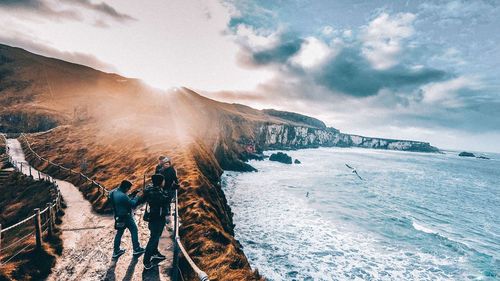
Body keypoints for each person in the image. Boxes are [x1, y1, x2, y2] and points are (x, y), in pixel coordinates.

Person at [110, 180, 145, 259]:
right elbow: (132, 204)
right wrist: (137, 196)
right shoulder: (123, 195)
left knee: (119, 233)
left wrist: (132, 194)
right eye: (128, 189)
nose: (129, 190)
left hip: (118, 216)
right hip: (126, 217)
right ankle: (136, 249)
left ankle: (116, 251)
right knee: (134, 230)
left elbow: (122, 200)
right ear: (126, 187)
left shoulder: (114, 192)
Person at [142, 174, 170, 269]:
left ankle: (155, 253)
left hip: (155, 218)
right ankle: (146, 261)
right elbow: (165, 200)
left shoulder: (153, 189)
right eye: (163, 180)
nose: (164, 182)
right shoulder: (156, 193)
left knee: (155, 237)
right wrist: (171, 190)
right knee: (153, 239)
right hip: (156, 219)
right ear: (160, 182)